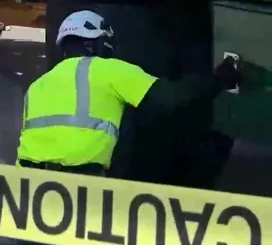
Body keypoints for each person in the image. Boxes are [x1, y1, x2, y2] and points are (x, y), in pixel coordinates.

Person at [16, 9, 242, 176]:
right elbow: (169, 97)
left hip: (27, 181)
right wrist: (219, 80)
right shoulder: (108, 69)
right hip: (79, 182)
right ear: (94, 44)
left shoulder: (38, 85)